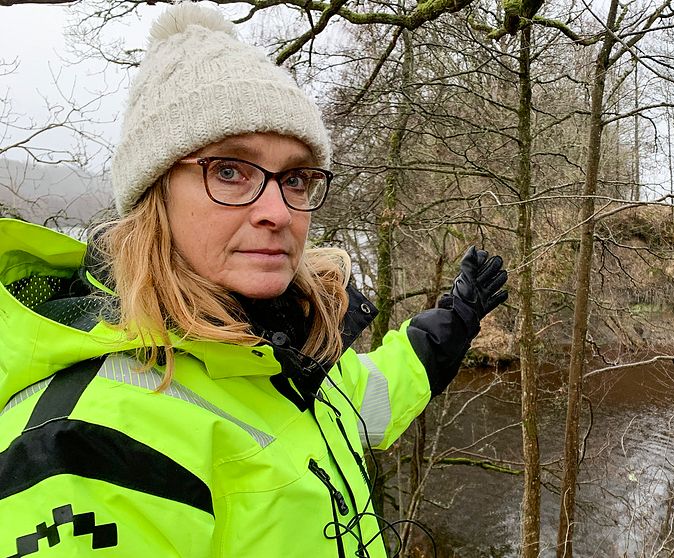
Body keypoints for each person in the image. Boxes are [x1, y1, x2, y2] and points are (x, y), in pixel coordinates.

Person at [0, 4, 507, 557]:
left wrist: (455, 320)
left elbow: (369, 398)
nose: (278, 211)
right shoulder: (83, 448)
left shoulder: (281, 357)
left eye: (295, 177)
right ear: (154, 197)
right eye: (229, 170)